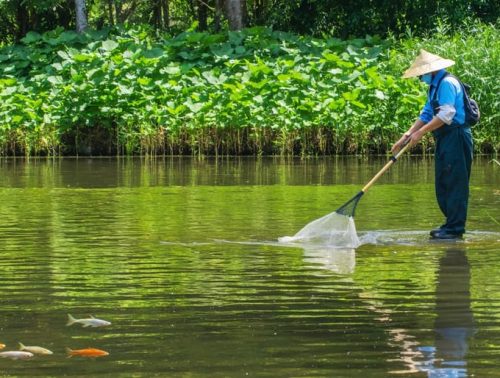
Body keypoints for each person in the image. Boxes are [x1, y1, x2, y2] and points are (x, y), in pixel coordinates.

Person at [392, 49, 473, 240]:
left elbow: (446, 115)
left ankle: (455, 229)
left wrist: (421, 133)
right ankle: (450, 224)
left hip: (457, 136)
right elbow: (427, 113)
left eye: (421, 75)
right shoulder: (434, 86)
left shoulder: (447, 83)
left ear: (431, 71)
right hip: (444, 138)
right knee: (443, 183)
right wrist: (408, 134)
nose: (421, 78)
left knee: (455, 182)